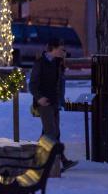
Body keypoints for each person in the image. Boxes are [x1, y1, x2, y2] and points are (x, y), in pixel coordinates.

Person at [29, 38, 78, 172]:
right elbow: (32, 84)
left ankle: (40, 159)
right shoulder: (40, 63)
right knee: (51, 132)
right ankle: (41, 160)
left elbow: (59, 84)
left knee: (52, 133)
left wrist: (60, 100)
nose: (64, 51)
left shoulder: (58, 63)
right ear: (53, 49)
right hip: (44, 102)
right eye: (61, 49)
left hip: (55, 102)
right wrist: (39, 98)